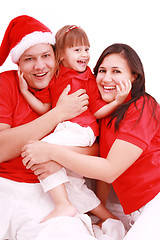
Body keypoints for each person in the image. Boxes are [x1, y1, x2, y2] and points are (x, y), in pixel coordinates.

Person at [22, 43, 160, 239]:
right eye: (102, 71)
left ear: (134, 76)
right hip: (127, 208)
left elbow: (110, 170)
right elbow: (98, 165)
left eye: (116, 71)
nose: (107, 78)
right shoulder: (104, 114)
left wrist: (51, 151)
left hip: (154, 199)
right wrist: (100, 214)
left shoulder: (143, 106)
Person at [19, 24, 131, 223]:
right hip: (65, 128)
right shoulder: (54, 76)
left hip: (81, 129)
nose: (85, 54)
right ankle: (111, 220)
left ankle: (63, 206)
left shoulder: (88, 77)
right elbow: (46, 109)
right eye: (77, 49)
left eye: (87, 49)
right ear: (61, 55)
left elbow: (97, 111)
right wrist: (26, 92)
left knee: (35, 150)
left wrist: (117, 101)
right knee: (71, 184)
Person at [0, 15, 99, 240]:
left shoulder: (72, 82)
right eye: (29, 59)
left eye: (46, 56)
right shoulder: (6, 83)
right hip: (4, 184)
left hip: (49, 192)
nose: (39, 66)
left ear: (57, 56)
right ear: (18, 63)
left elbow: (94, 148)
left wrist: (55, 154)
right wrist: (58, 114)